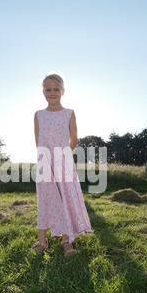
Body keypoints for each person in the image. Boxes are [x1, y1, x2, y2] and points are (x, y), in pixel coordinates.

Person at [31, 73, 92, 257]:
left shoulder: (69, 113)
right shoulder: (39, 115)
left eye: (56, 89)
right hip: (45, 162)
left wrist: (62, 155)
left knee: (65, 198)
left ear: (63, 91)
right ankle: (42, 241)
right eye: (48, 89)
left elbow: (74, 139)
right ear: (43, 92)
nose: (52, 93)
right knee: (46, 199)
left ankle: (66, 241)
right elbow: (38, 140)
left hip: (63, 162)